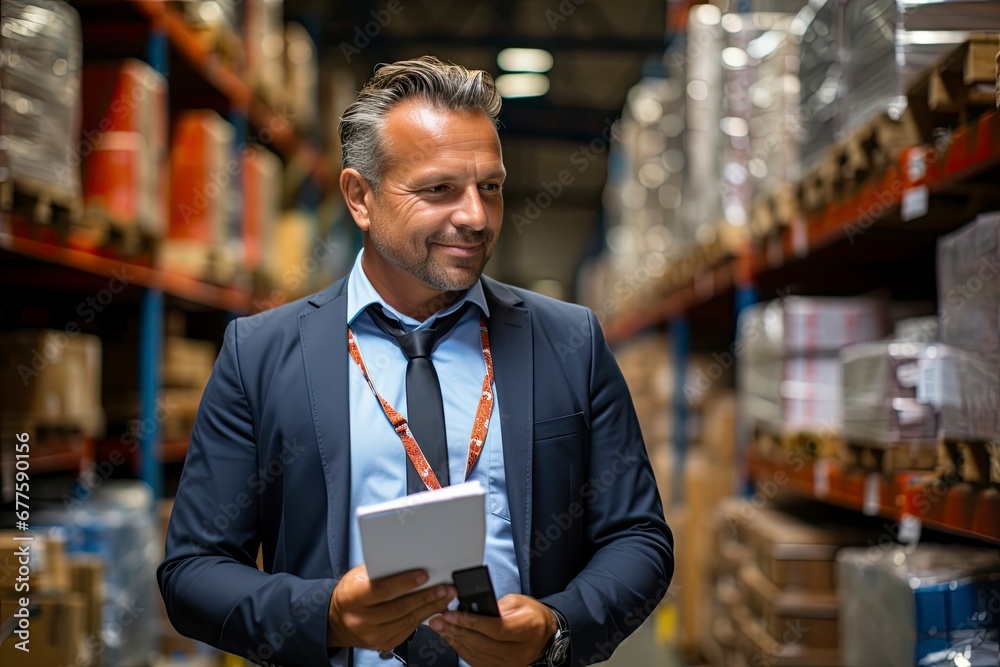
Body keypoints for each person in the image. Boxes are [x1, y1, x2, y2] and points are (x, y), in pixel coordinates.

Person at [158, 56, 673, 667]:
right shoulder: (261, 354)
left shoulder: (569, 342)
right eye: (439, 190)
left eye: (490, 187)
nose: (475, 217)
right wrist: (326, 616)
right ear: (360, 197)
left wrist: (556, 628)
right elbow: (193, 571)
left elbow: (638, 537)